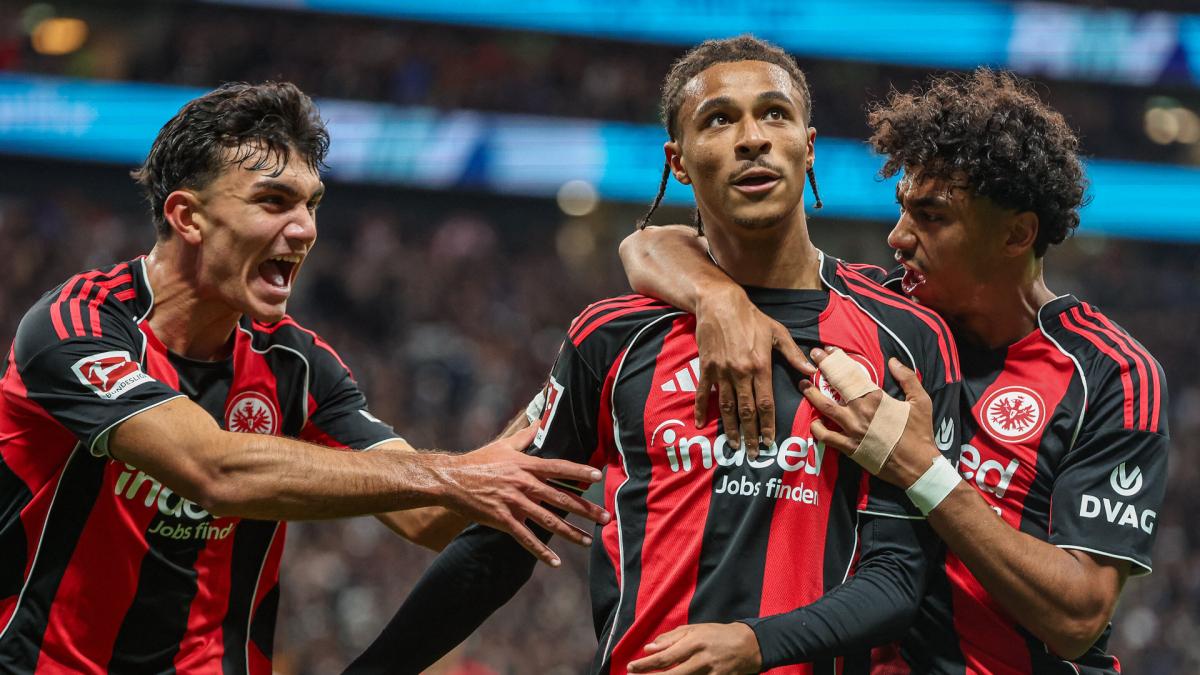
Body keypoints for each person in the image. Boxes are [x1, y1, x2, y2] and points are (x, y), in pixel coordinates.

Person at [349, 36, 962, 675]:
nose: (752, 138)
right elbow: (501, 544)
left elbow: (901, 575)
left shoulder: (905, 336)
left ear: (808, 147)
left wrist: (755, 644)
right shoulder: (610, 337)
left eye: (774, 114)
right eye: (718, 120)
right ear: (678, 162)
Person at [0, 81, 608, 674]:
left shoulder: (297, 364)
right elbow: (212, 470)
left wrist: (573, 377)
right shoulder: (75, 326)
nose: (305, 229)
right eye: (273, 201)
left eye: (311, 204)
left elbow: (432, 518)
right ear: (187, 216)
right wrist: (451, 474)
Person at [619, 69, 1168, 673]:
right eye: (903, 208)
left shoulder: (1110, 373)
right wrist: (716, 298)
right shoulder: (882, 317)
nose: (897, 237)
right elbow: (648, 245)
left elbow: (1078, 620)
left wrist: (923, 471)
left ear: (1016, 234)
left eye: (931, 217)